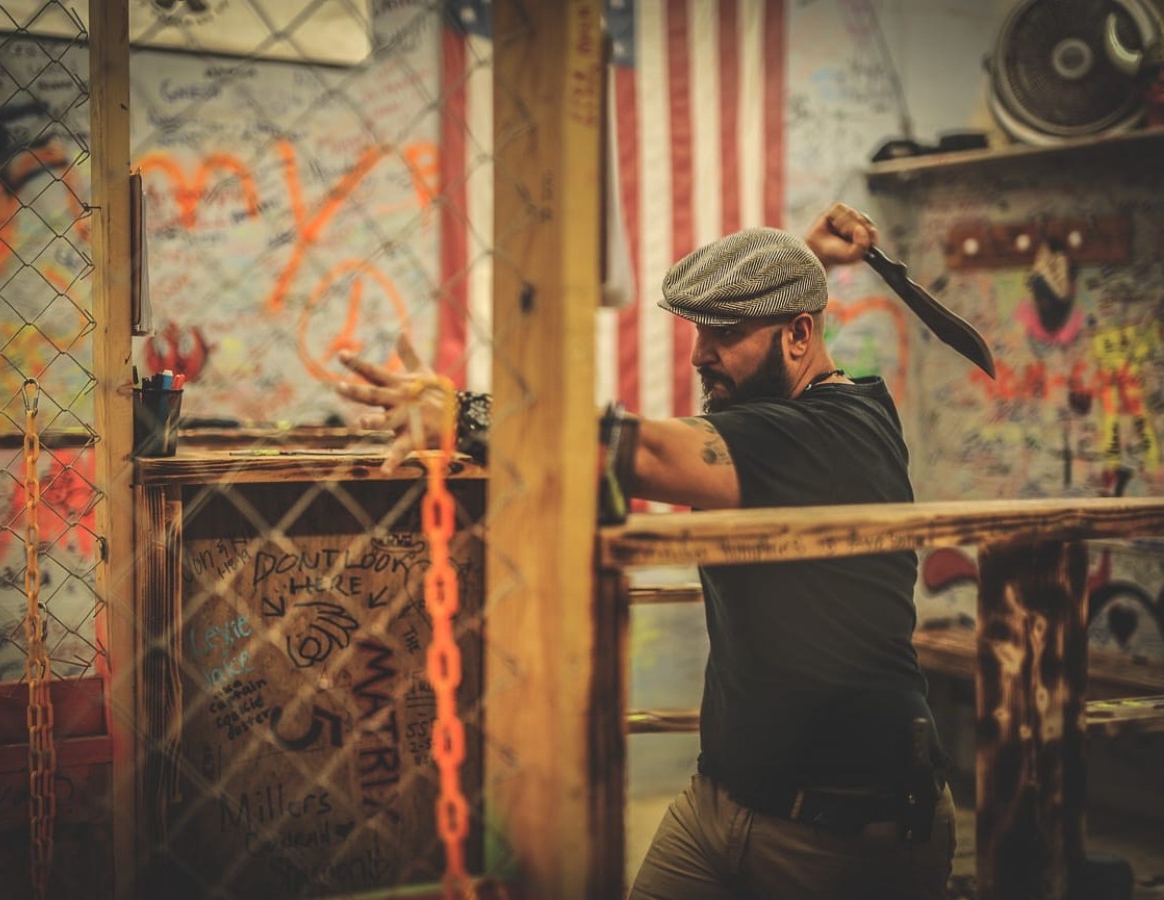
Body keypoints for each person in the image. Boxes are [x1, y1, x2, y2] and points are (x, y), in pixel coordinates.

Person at [336, 203, 956, 899]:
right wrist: (802, 262)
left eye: (725, 333)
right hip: (721, 802)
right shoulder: (778, 408)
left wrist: (466, 415)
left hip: (843, 832)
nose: (699, 355)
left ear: (800, 333)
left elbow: (649, 449)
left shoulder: (831, 434)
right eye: (698, 330)